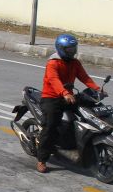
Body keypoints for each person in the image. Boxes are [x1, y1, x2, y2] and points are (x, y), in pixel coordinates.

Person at [36, 34, 104, 173]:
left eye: (74, 48)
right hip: (52, 97)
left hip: (68, 97)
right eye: (69, 49)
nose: (72, 51)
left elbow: (84, 77)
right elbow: (54, 80)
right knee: (50, 126)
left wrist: (97, 89)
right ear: (61, 49)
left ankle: (76, 144)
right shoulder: (53, 63)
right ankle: (42, 159)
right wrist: (64, 93)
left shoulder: (75, 63)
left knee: (88, 111)